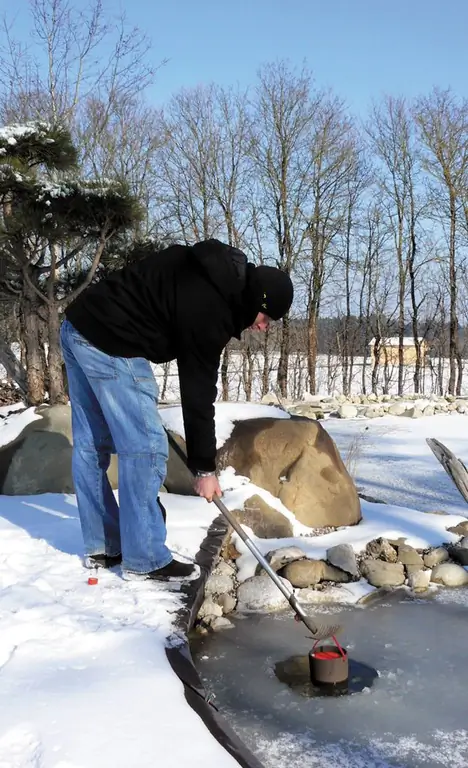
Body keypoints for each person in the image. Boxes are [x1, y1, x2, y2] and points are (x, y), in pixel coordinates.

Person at [60, 239, 293, 582]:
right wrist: (204, 468)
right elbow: (197, 393)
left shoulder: (214, 271)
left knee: (92, 445)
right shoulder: (211, 308)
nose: (263, 326)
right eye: (266, 317)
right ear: (256, 301)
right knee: (147, 449)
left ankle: (103, 545)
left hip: (77, 326)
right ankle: (146, 558)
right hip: (113, 341)